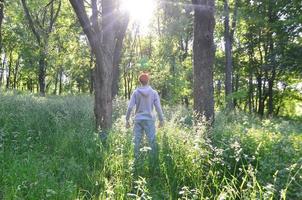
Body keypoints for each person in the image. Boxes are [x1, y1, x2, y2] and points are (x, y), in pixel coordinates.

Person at [125, 72, 164, 162]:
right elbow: (158, 107)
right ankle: (153, 161)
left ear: (140, 82)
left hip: (138, 119)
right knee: (151, 140)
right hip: (149, 120)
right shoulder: (153, 93)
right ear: (148, 81)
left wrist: (127, 120)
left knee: (136, 141)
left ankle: (136, 161)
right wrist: (161, 120)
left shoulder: (135, 93)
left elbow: (130, 107)